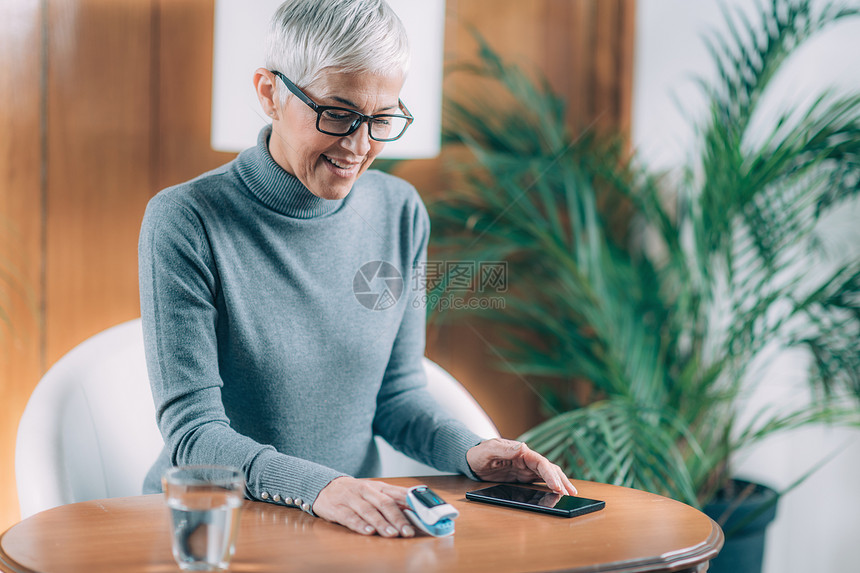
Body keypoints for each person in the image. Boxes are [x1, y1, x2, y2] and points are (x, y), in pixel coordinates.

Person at [139, 0, 576, 538]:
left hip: (347, 526)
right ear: (269, 93)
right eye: (338, 114)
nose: (360, 145)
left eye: (382, 118)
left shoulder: (400, 211)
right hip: (214, 526)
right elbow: (193, 434)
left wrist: (473, 451)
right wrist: (322, 488)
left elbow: (397, 396)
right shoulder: (184, 220)